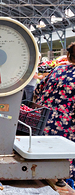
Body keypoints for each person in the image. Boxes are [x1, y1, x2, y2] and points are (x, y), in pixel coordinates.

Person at [34, 43, 75, 185]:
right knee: (64, 166)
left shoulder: (58, 69)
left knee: (44, 162)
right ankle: (63, 180)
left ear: (68, 56)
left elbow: (37, 90)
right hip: (66, 130)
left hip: (42, 124)